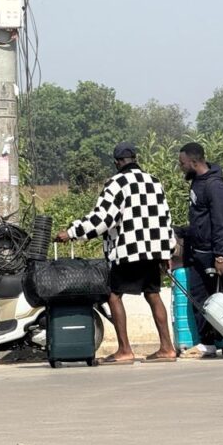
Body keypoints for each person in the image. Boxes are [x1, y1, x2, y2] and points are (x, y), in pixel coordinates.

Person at [55, 142, 177, 364]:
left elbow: (102, 219)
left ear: (117, 163)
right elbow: (166, 220)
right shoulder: (154, 182)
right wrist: (167, 251)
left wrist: (72, 232)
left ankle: (124, 350)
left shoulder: (116, 183)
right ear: (135, 159)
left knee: (113, 295)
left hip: (128, 250)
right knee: (152, 294)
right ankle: (167, 348)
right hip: (154, 250)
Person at [177, 141, 223, 358]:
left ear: (194, 162)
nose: (180, 167)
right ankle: (208, 343)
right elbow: (200, 220)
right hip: (199, 252)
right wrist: (183, 232)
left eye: (182, 163)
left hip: (217, 253)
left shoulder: (214, 186)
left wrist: (221, 255)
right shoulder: (196, 183)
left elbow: (220, 222)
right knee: (199, 297)